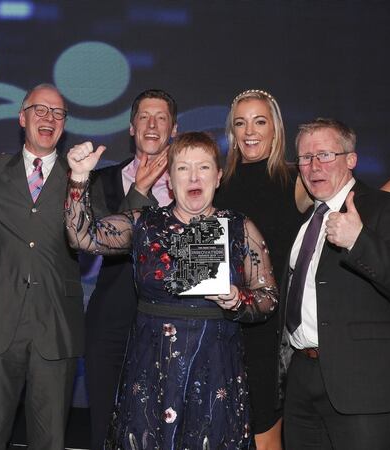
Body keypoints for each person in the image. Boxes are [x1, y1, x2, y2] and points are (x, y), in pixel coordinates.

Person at [215, 89, 390, 450]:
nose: (249, 130)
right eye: (240, 122)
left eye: (260, 120)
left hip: (270, 336)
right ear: (231, 130)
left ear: (276, 130)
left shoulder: (298, 178)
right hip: (224, 326)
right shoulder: (215, 183)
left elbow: (365, 203)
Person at [65, 132, 279, 449]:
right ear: (169, 179)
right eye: (183, 168)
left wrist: (239, 299)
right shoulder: (144, 223)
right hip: (152, 371)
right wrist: (79, 177)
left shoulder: (239, 228)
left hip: (215, 371)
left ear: (218, 176)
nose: (194, 176)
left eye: (204, 167)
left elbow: (269, 298)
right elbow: (82, 238)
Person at [283, 118, 390, 449]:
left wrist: (358, 240)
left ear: (351, 159)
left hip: (362, 384)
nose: (313, 165)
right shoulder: (304, 221)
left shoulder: (384, 208)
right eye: (305, 158)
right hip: (302, 377)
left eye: (324, 155)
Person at [0, 83, 82, 450]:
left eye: (58, 113)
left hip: (55, 326)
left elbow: (112, 230)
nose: (49, 118)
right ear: (22, 117)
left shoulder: (82, 177)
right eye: (40, 110)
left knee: (50, 442)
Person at [83, 89, 176, 449]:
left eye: (161, 117)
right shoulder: (101, 180)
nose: (152, 125)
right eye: (144, 117)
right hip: (112, 324)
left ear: (174, 128)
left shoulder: (193, 183)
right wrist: (139, 190)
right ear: (131, 127)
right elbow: (103, 238)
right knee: (105, 426)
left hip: (170, 326)